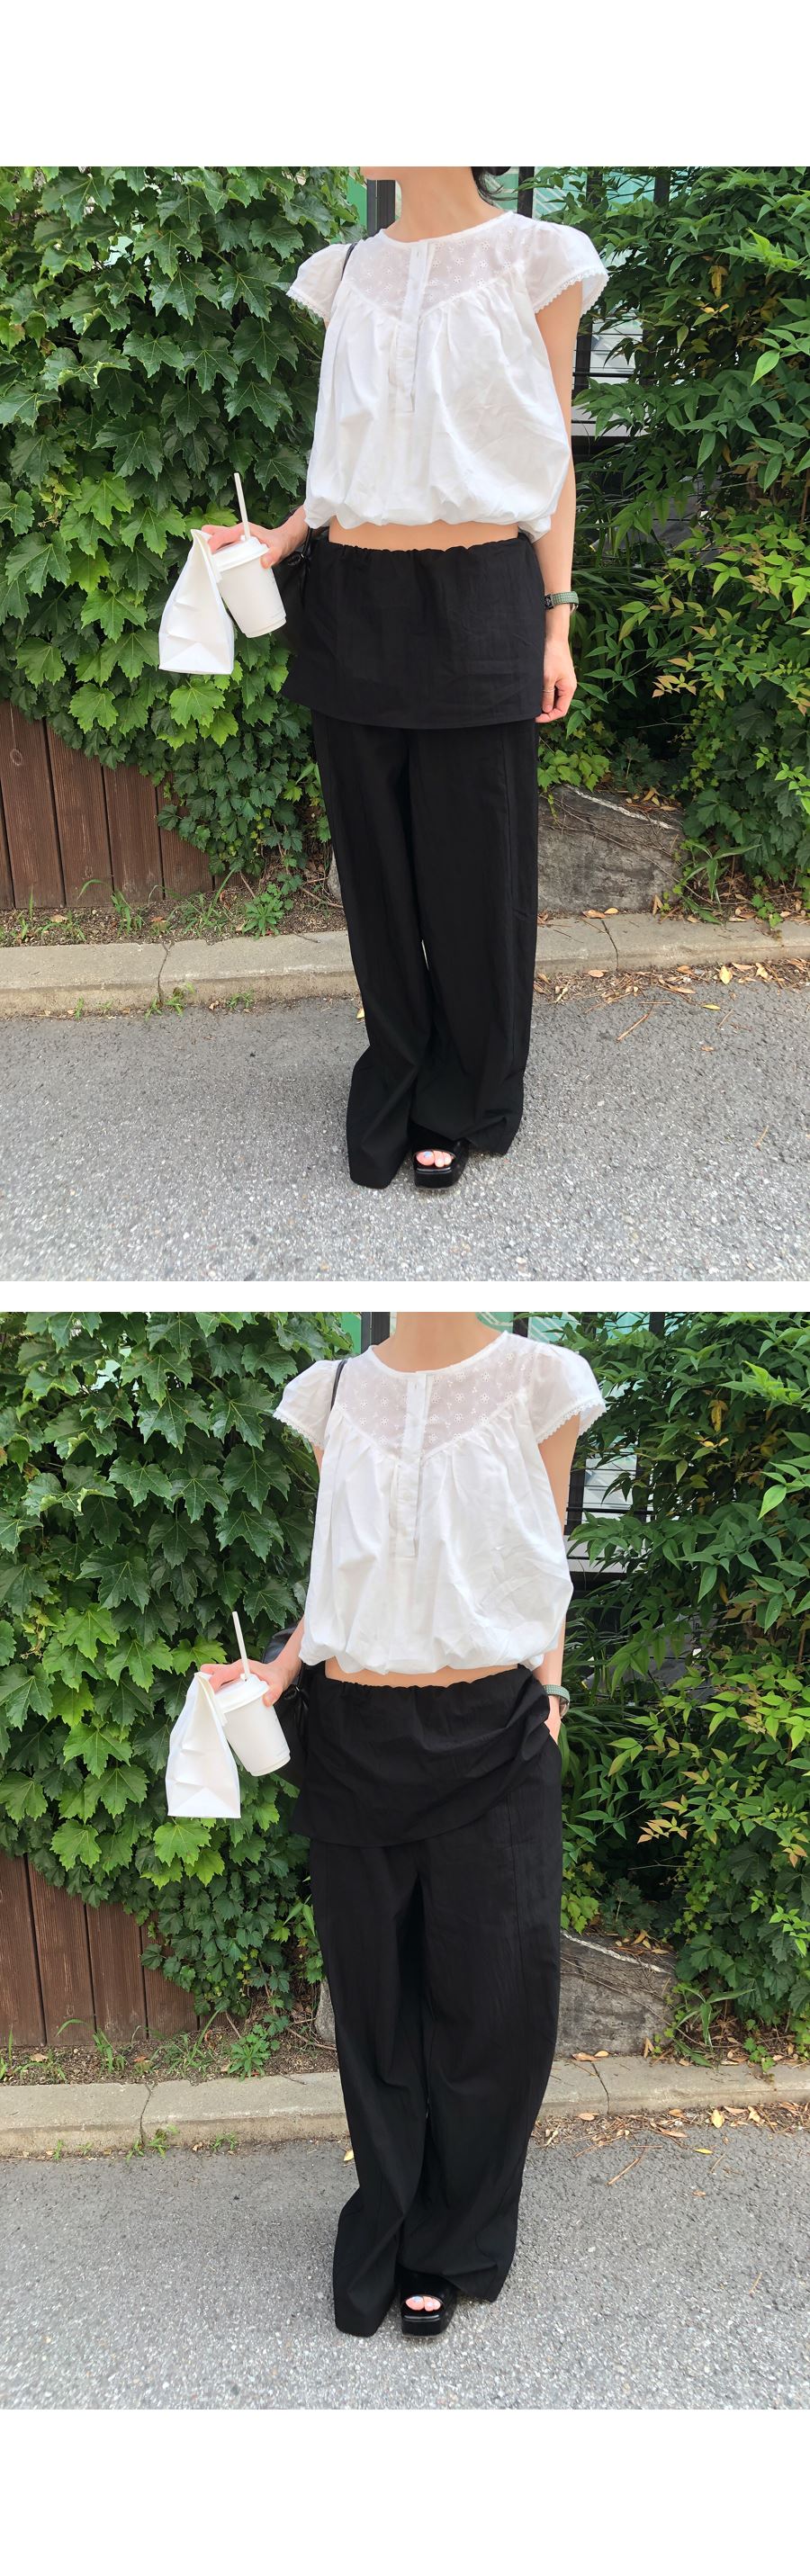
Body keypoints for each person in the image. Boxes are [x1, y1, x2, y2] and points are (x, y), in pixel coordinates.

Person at [203, 167, 608, 1195]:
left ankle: (469, 1087)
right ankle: (398, 1062)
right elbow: (351, 450)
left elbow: (553, 454)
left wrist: (557, 620)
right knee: (376, 871)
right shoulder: (342, 272)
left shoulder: (540, 259)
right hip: (352, 597)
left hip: (480, 598)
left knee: (475, 868)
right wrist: (279, 538)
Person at [203, 1311, 606, 2339]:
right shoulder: (331, 1392)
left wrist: (554, 1693)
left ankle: (457, 2236)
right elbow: (346, 1571)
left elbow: (543, 1558)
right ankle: (387, 2215)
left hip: (494, 1732)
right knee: (375, 2011)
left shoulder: (542, 1379)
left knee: (495, 2009)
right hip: (353, 1735)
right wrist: (276, 1671)